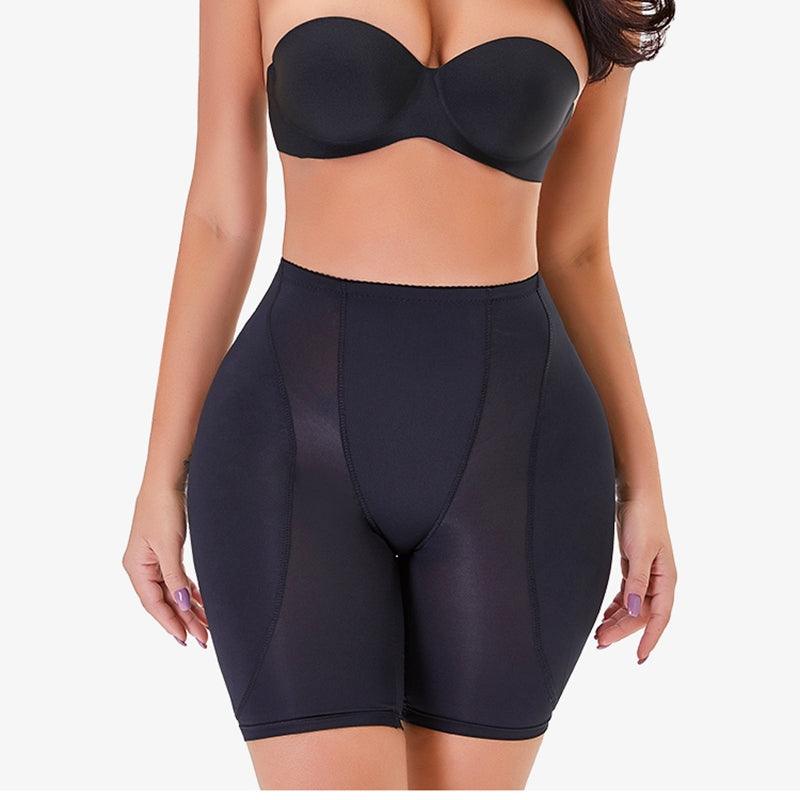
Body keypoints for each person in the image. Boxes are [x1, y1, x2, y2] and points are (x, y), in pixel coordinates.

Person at [123, 0, 677, 789]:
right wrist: (160, 478)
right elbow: (221, 219)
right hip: (288, 442)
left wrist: (643, 488)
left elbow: (577, 247)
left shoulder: (600, 4)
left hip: (521, 454)